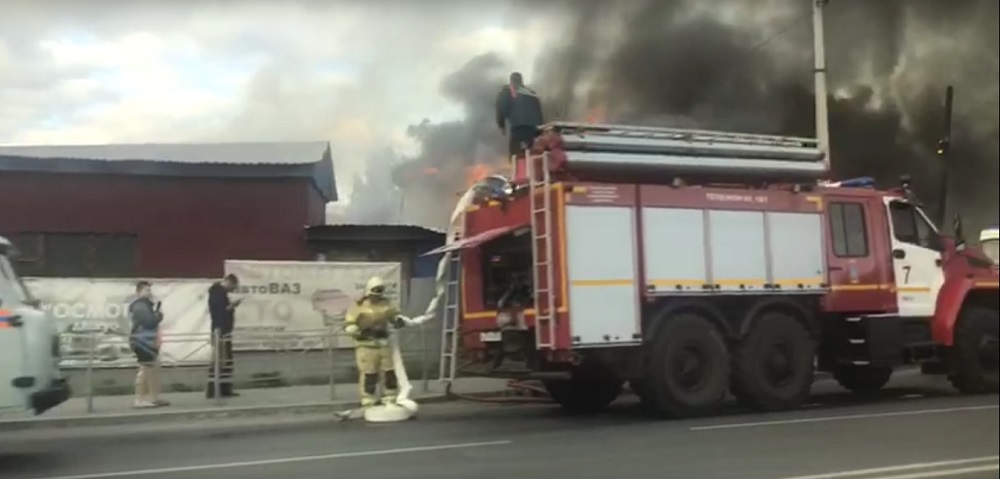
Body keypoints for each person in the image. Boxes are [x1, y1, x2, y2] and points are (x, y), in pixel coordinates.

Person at [344, 276, 406, 408]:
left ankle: (390, 396)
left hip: (383, 343)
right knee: (369, 373)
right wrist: (357, 330)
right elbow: (350, 323)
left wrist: (398, 320)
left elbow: (394, 315)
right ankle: (368, 398)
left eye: (379, 293)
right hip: (366, 345)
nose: (376, 297)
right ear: (368, 292)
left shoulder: (386, 304)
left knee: (389, 372)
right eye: (374, 293)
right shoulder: (358, 306)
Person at [495, 72, 544, 180]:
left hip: (519, 127)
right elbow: (539, 111)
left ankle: (519, 178)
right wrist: (540, 129)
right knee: (532, 151)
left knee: (516, 153)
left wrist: (502, 125)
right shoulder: (531, 93)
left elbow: (502, 109)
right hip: (534, 128)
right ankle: (534, 176)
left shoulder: (507, 91)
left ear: (511, 81)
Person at [129, 280, 169, 408]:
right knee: (144, 369)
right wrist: (158, 315)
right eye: (146, 290)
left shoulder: (145, 305)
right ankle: (139, 400)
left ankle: (153, 397)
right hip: (142, 342)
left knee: (152, 370)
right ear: (139, 291)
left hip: (148, 342)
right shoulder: (140, 306)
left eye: (149, 290)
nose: (149, 292)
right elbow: (149, 322)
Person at [206, 274, 241, 399]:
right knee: (219, 360)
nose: (233, 290)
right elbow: (220, 311)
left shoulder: (220, 293)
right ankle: (214, 389)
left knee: (226, 360)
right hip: (220, 331)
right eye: (233, 287)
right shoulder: (217, 293)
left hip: (224, 330)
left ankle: (225, 388)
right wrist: (232, 306)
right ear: (228, 282)